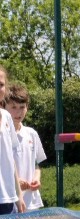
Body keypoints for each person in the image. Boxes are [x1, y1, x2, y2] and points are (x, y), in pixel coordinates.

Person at [5, 83, 47, 211]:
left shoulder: (32, 134)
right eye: (13, 107)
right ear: (3, 107)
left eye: (22, 107)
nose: (18, 112)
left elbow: (36, 164)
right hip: (10, 201)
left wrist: (36, 178)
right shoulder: (3, 135)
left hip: (32, 201)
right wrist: (17, 182)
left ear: (27, 107)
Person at [0, 65, 26, 214]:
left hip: (8, 200)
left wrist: (18, 195)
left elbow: (11, 161)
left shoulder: (7, 117)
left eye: (1, 85)